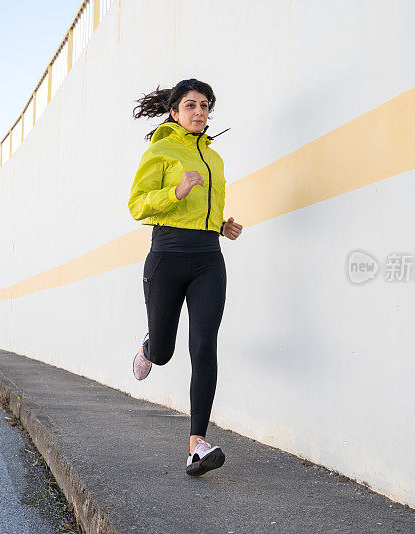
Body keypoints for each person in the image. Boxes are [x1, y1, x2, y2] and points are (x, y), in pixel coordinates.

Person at [127, 78, 243, 476]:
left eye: (206, 105)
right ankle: (148, 349)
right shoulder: (160, 149)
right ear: (174, 112)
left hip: (209, 258)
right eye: (191, 105)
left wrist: (220, 225)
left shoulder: (216, 159)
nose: (200, 112)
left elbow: (206, 207)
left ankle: (197, 445)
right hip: (167, 256)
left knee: (204, 346)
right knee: (165, 350)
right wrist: (175, 192)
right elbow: (137, 205)